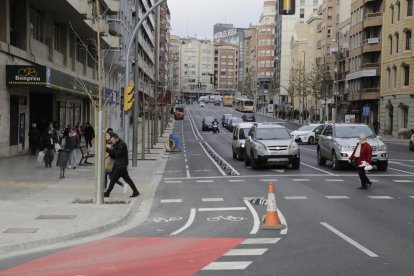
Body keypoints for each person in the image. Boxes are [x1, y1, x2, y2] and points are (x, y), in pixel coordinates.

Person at [104, 132, 140, 198]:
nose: (112, 142)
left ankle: (107, 193)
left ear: (117, 139)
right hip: (120, 166)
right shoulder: (116, 144)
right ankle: (136, 191)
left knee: (113, 180)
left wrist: (111, 149)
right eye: (111, 140)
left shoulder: (122, 144)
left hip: (120, 166)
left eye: (113, 140)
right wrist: (108, 149)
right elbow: (113, 155)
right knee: (128, 180)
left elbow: (118, 153)